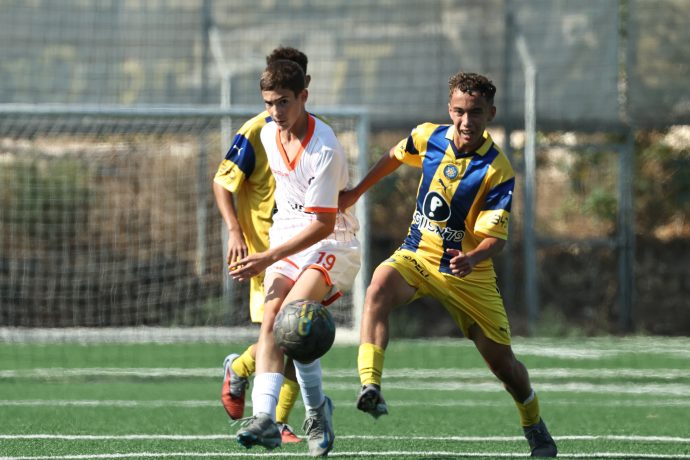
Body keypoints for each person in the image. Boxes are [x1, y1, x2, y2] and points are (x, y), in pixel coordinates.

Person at [338, 72, 558, 458]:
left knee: (505, 367)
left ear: (491, 113)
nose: (466, 121)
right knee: (377, 288)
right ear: (449, 109)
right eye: (459, 111)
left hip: (468, 275)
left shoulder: (497, 170)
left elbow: (496, 239)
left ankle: (534, 424)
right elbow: (395, 156)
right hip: (418, 254)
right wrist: (356, 192)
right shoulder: (429, 136)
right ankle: (370, 385)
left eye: (475, 112)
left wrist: (472, 257)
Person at [230, 59, 361, 457]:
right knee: (273, 320)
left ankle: (317, 412)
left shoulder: (325, 147)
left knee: (296, 319)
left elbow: (322, 225)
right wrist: (270, 249)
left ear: (304, 96)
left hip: (331, 242)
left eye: (283, 101)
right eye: (268, 103)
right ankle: (265, 419)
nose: (275, 111)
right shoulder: (267, 134)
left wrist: (266, 256)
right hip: (287, 236)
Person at [212, 46, 311, 444]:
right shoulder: (257, 131)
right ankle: (271, 413)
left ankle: (246, 375)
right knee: (289, 334)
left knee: (300, 335)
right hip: (266, 255)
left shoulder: (316, 132)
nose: (278, 106)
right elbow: (223, 182)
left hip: (307, 250)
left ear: (304, 87)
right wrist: (235, 231)